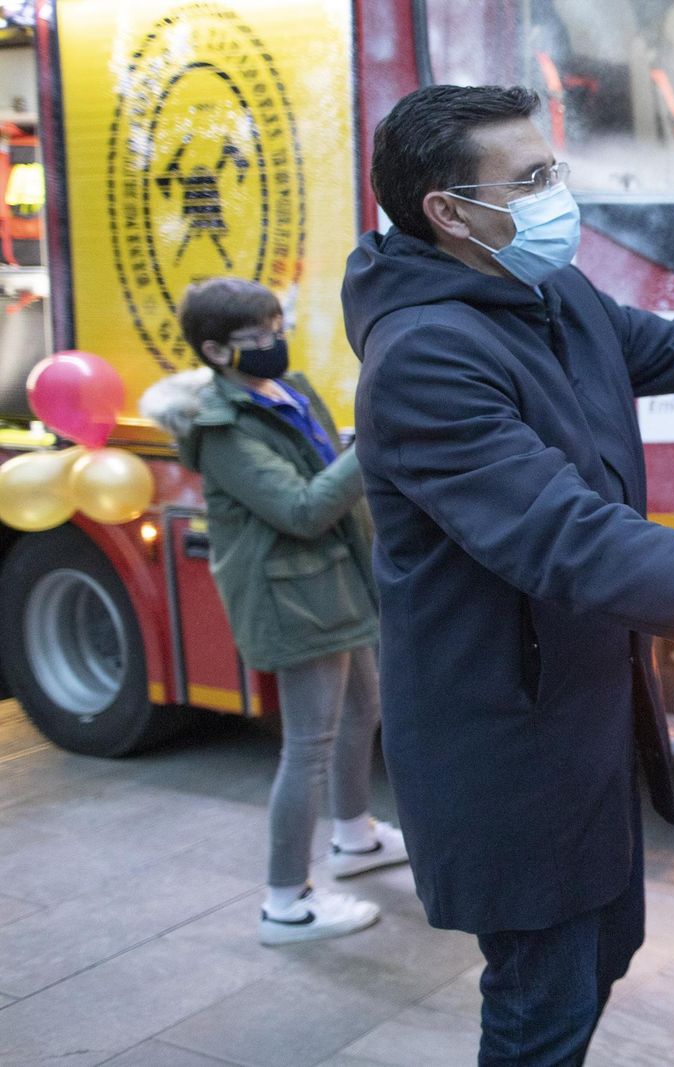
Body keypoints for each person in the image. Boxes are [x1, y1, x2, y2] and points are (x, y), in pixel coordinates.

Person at [340, 84, 674, 1066]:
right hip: (505, 738)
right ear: (447, 212)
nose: (558, 195)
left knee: (602, 953)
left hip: (584, 712)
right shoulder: (426, 359)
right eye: (530, 178)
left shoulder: (548, 293)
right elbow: (569, 535)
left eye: (556, 169)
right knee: (542, 1003)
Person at [140, 277, 408, 947]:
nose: (273, 342)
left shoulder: (288, 391)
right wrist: (369, 446)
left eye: (274, 325)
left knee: (360, 711)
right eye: (255, 336)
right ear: (215, 350)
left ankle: (355, 836)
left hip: (335, 584)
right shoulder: (223, 430)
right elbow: (303, 509)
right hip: (292, 599)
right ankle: (286, 902)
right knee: (308, 745)